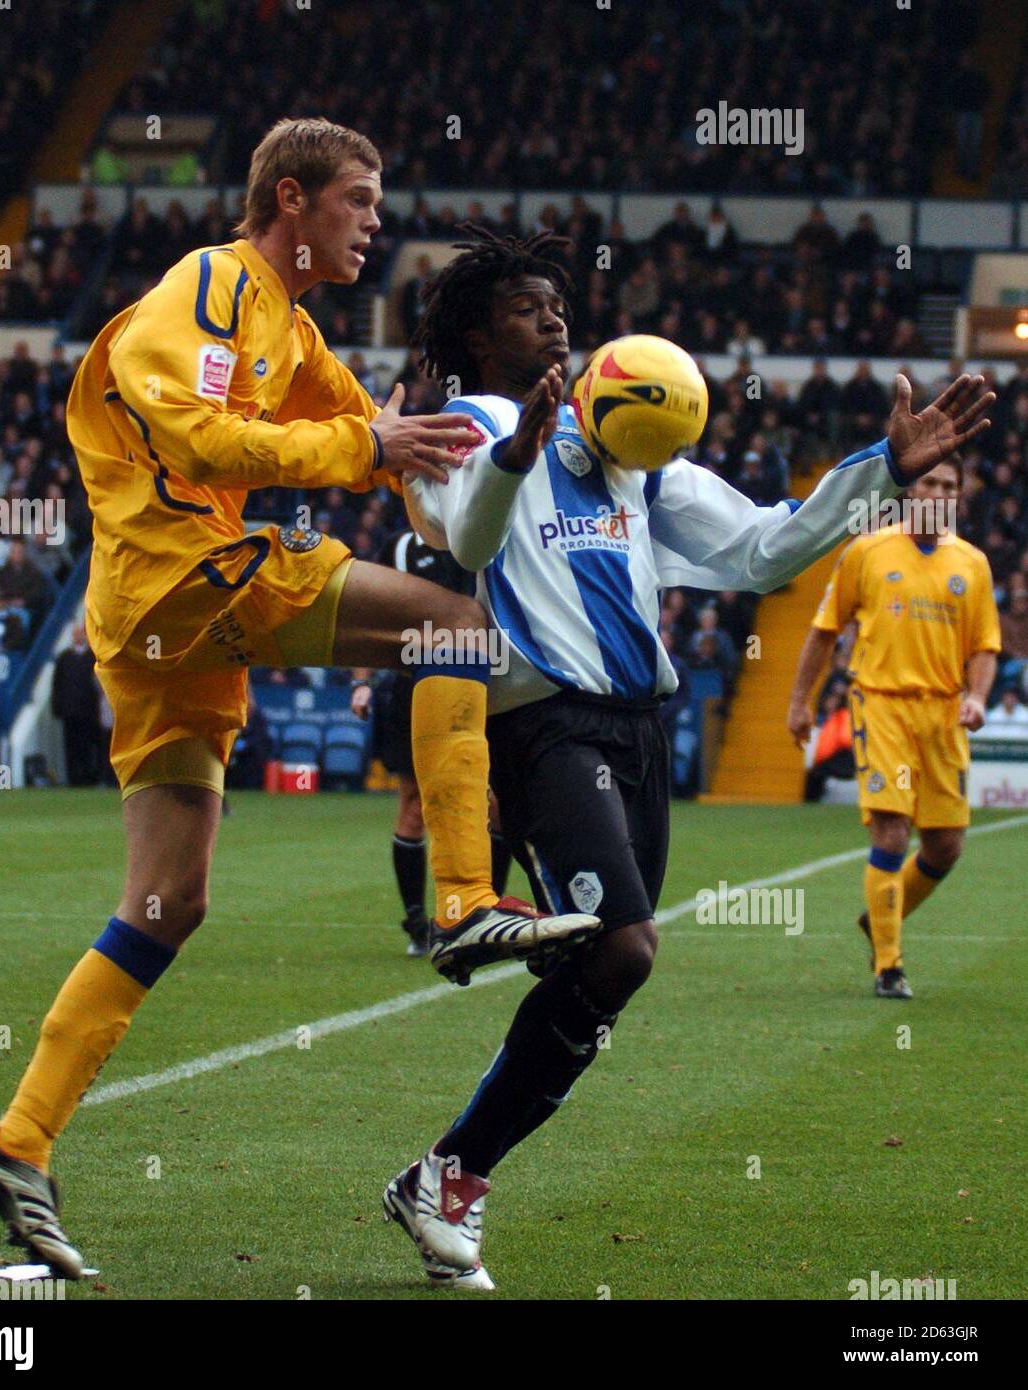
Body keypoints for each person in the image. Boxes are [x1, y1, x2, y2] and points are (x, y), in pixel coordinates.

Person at [0, 121, 598, 1281]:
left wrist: (506, 442)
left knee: (164, 903)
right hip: (182, 572)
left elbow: (384, 438)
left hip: (160, 625)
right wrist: (371, 442)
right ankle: (458, 897)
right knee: (455, 628)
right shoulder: (212, 282)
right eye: (358, 199)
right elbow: (193, 430)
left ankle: (19, 1142)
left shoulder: (291, 330)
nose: (374, 220)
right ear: (289, 200)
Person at [379, 224, 994, 1290]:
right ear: (480, 333)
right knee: (624, 950)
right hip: (545, 726)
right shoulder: (457, 430)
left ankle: (447, 1167)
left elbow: (765, 546)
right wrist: (516, 454)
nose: (558, 320)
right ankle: (454, 1167)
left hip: (636, 732)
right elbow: (470, 542)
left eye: (563, 305)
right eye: (531, 307)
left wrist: (882, 471)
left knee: (608, 964)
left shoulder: (624, 448)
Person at [788, 456, 1001, 1000]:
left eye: (949, 485)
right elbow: (823, 632)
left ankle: (881, 915)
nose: (937, 491)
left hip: (943, 713)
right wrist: (800, 703)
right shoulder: (867, 551)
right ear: (911, 490)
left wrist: (976, 697)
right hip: (880, 704)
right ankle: (889, 965)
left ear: (958, 496)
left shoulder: (972, 564)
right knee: (890, 830)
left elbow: (983, 646)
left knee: (946, 846)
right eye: (929, 481)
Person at [350, 529, 512, 955]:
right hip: (414, 682)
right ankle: (417, 924)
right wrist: (362, 682)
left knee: (496, 804)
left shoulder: (485, 534)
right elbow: (371, 614)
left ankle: (486, 915)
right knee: (414, 804)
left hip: (484, 680)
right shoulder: (398, 547)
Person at [51, 624, 101, 786]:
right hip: (70, 710)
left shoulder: (93, 657)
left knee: (88, 745)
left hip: (88, 710)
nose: (78, 636)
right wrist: (57, 706)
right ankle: (73, 778)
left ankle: (88, 777)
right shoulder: (64, 657)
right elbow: (57, 684)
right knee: (70, 746)